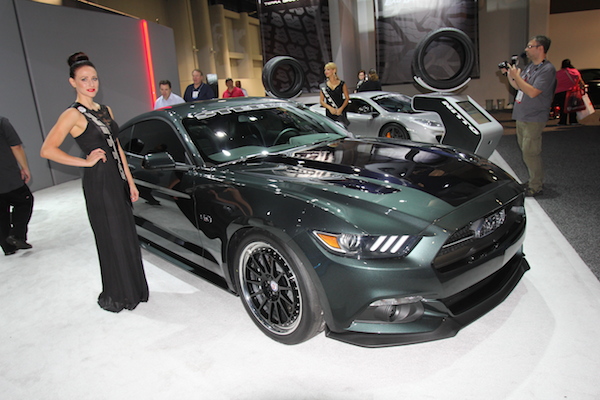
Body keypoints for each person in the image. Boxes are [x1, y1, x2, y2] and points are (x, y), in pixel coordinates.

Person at [40, 52, 149, 312]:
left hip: (117, 179)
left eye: (94, 78)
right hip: (99, 183)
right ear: (72, 82)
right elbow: (47, 150)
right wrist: (85, 162)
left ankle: (134, 289)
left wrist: (130, 181)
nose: (91, 84)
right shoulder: (72, 115)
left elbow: (118, 148)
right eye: (84, 79)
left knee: (125, 234)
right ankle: (119, 294)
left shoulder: (105, 110)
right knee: (111, 235)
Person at [503, 35, 556, 197]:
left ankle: (536, 185)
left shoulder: (547, 70)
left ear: (540, 48)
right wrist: (511, 75)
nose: (526, 49)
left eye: (530, 46)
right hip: (523, 115)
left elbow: (533, 92)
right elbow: (519, 87)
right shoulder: (531, 67)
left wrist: (517, 77)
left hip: (534, 116)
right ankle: (534, 180)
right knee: (526, 151)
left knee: (531, 152)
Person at [0, 116, 34, 256]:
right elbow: (16, 146)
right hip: (7, 174)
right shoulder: (1, 122)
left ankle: (8, 247)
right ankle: (17, 235)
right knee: (24, 201)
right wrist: (24, 167)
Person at [553, 59, 584, 125]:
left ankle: (562, 121)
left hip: (560, 93)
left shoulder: (558, 73)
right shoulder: (575, 72)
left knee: (562, 107)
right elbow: (580, 81)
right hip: (572, 92)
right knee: (572, 107)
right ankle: (573, 121)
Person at [319, 62, 350, 127]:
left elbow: (347, 98)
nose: (325, 71)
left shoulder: (342, 84)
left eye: (328, 69)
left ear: (334, 70)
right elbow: (321, 101)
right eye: (325, 70)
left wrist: (341, 109)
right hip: (330, 113)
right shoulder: (323, 86)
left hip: (340, 113)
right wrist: (330, 108)